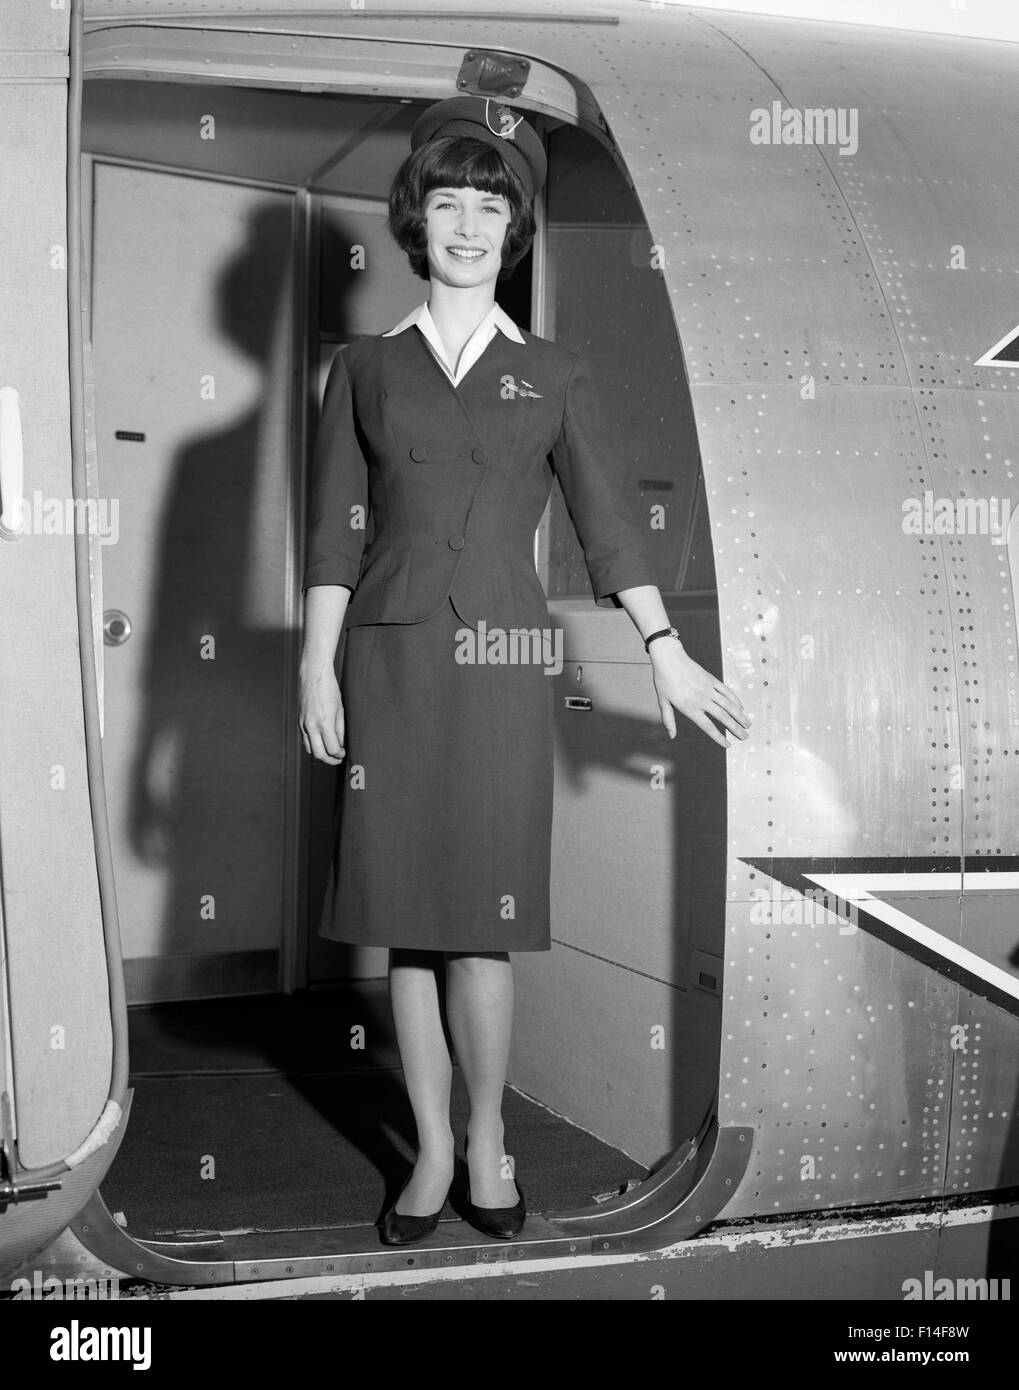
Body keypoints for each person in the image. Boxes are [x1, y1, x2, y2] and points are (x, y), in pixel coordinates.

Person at [298, 96, 750, 1246]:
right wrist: (315, 666)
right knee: (403, 922)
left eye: (486, 205)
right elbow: (333, 535)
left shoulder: (549, 371)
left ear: (511, 230)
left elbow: (606, 524)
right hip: (390, 664)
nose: (464, 224)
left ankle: (488, 1137)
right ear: (415, 222)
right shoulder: (362, 367)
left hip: (499, 663)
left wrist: (662, 646)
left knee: (481, 925)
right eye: (444, 203)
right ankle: (430, 1150)